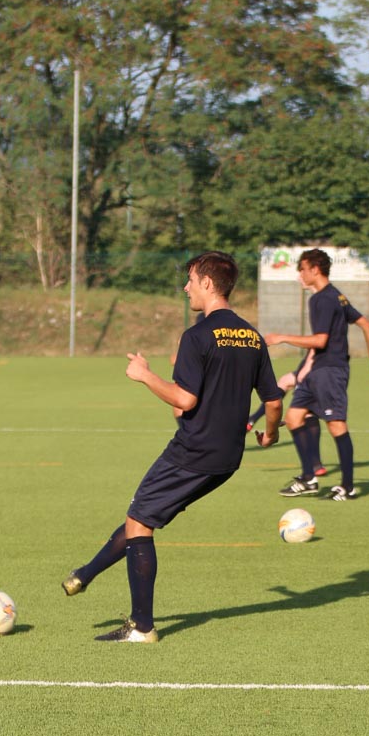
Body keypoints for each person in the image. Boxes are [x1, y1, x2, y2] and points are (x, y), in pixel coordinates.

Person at [62, 251, 283, 642]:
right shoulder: (253, 336)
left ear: (208, 283)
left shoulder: (197, 336)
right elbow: (274, 400)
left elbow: (184, 400)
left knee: (139, 521)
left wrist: (145, 375)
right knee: (142, 518)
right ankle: (84, 575)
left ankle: (142, 626)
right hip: (228, 457)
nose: (186, 288)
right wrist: (271, 434)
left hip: (193, 451)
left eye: (191, 280)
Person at [265, 248, 369, 500]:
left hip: (330, 370)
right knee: (294, 417)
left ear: (315, 269)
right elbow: (365, 323)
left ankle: (348, 486)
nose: (300, 274)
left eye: (302, 269)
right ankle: (308, 478)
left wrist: (282, 337)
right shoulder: (337, 296)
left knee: (336, 425)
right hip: (317, 371)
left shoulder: (322, 299)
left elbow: (320, 340)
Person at [246, 352, 327, 476]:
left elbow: (319, 343)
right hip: (318, 364)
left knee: (306, 412)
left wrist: (282, 340)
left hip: (321, 367)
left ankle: (314, 470)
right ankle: (316, 465)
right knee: (287, 383)